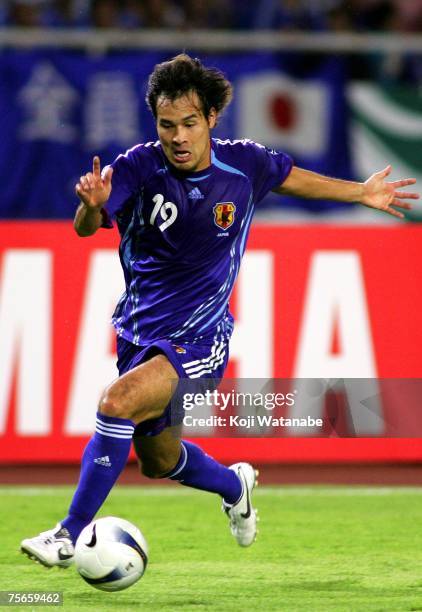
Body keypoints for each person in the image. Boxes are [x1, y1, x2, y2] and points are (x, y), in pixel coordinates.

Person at [21, 54, 418, 568]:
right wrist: (92, 206)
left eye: (189, 123)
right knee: (159, 461)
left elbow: (294, 178)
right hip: (140, 333)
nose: (178, 137)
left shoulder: (244, 164)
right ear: (156, 124)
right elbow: (83, 227)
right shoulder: (139, 167)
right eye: (167, 125)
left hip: (201, 339)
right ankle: (235, 484)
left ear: (211, 118)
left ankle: (67, 534)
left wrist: (360, 192)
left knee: (116, 402)